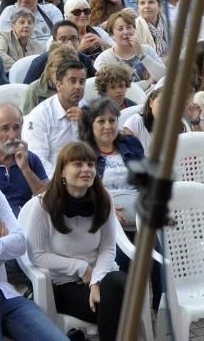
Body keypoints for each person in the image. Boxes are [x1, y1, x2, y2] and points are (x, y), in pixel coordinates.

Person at [26, 141, 128, 341]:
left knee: (120, 283)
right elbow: (37, 255)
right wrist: (82, 268)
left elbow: (108, 248)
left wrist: (96, 280)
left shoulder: (104, 198)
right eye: (78, 164)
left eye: (90, 164)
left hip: (102, 278)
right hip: (64, 285)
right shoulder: (43, 205)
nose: (86, 169)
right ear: (62, 171)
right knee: (117, 306)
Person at [78, 98, 144, 228]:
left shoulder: (131, 144)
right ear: (91, 125)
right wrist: (103, 209)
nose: (108, 126)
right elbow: (79, 193)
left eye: (112, 120)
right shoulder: (83, 153)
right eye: (101, 121)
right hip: (103, 221)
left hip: (141, 219)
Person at [22, 58, 87, 173]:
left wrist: (88, 121)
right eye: (72, 81)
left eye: (82, 82)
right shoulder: (39, 116)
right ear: (58, 85)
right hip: (54, 182)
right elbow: (37, 160)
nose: (78, 86)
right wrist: (63, 181)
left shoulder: (88, 110)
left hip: (88, 176)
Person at [0, 103, 48, 214]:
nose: (12, 136)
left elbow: (49, 200)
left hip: (25, 224)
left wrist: (26, 169)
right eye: (5, 129)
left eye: (16, 128)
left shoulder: (30, 159)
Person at [94, 10, 166, 89]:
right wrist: (147, 82)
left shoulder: (147, 50)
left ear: (135, 30)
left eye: (129, 27)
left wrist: (142, 56)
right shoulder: (104, 59)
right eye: (120, 29)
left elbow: (164, 78)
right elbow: (114, 90)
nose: (126, 32)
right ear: (111, 35)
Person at [0, 7, 45, 72]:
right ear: (13, 25)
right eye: (22, 22)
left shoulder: (40, 48)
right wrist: (19, 69)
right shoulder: (4, 36)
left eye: (29, 23)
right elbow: (0, 54)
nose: (26, 25)